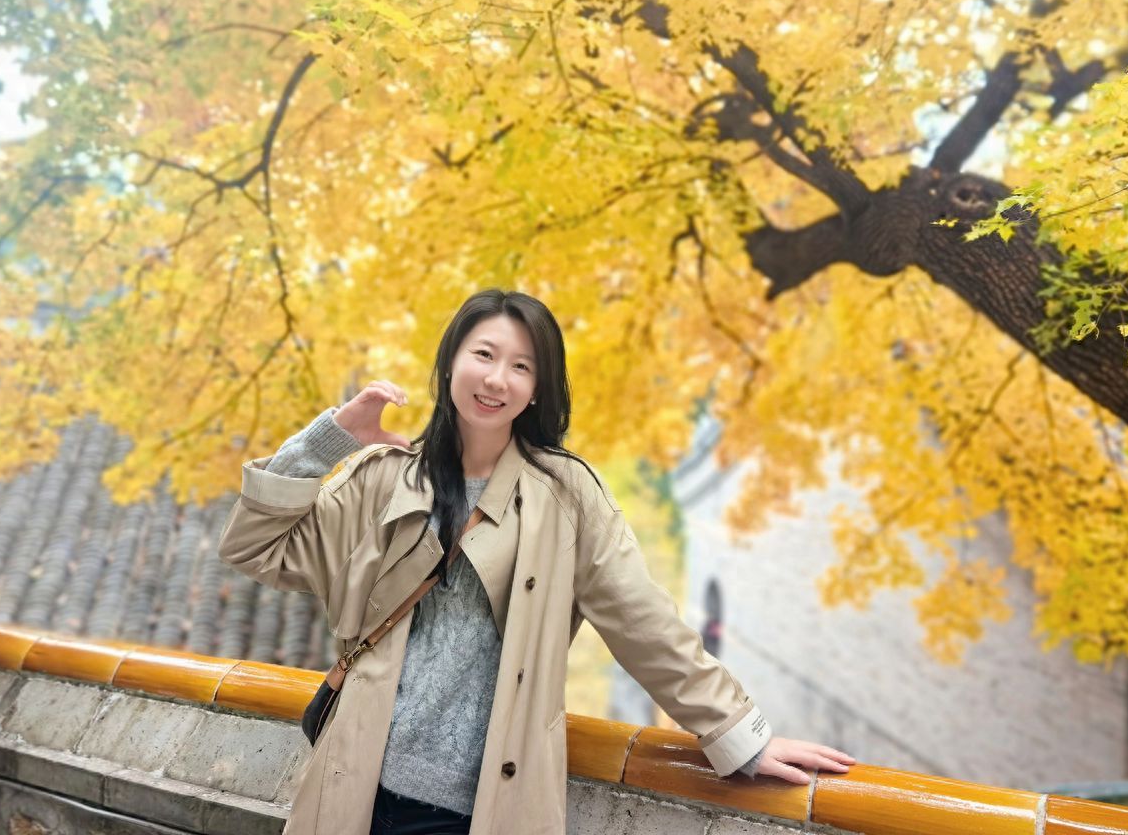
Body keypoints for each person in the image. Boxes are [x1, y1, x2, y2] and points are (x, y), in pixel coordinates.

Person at [219, 289, 856, 835]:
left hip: (482, 805)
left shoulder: (566, 496)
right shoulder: (384, 479)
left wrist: (744, 737)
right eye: (484, 355)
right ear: (451, 365)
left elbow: (644, 624)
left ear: (535, 391)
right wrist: (330, 438)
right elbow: (258, 547)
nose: (497, 379)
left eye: (521, 366)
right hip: (354, 786)